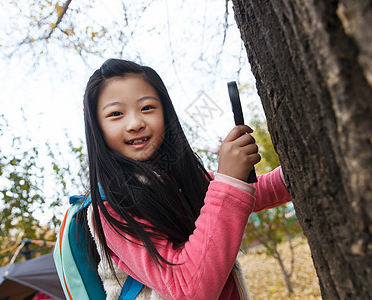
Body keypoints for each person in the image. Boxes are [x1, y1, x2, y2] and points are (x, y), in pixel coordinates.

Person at [77, 58, 291, 299]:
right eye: (116, 114)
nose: (136, 123)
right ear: (97, 129)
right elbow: (188, 290)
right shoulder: (112, 208)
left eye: (147, 107)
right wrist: (229, 180)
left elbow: (253, 194)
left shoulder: (175, 177)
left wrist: (294, 169)